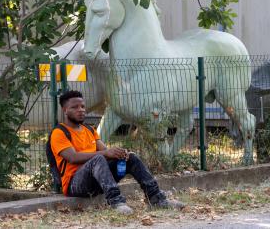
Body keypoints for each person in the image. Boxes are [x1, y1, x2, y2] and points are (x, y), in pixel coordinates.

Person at [50, 90, 185, 214]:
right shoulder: (59, 133)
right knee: (98, 159)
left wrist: (120, 154)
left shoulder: (89, 130)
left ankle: (157, 199)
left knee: (130, 158)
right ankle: (116, 202)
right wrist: (106, 153)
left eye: (83, 107)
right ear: (65, 110)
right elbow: (73, 157)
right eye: (75, 107)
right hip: (75, 184)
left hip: (96, 180)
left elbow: (105, 151)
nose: (80, 110)